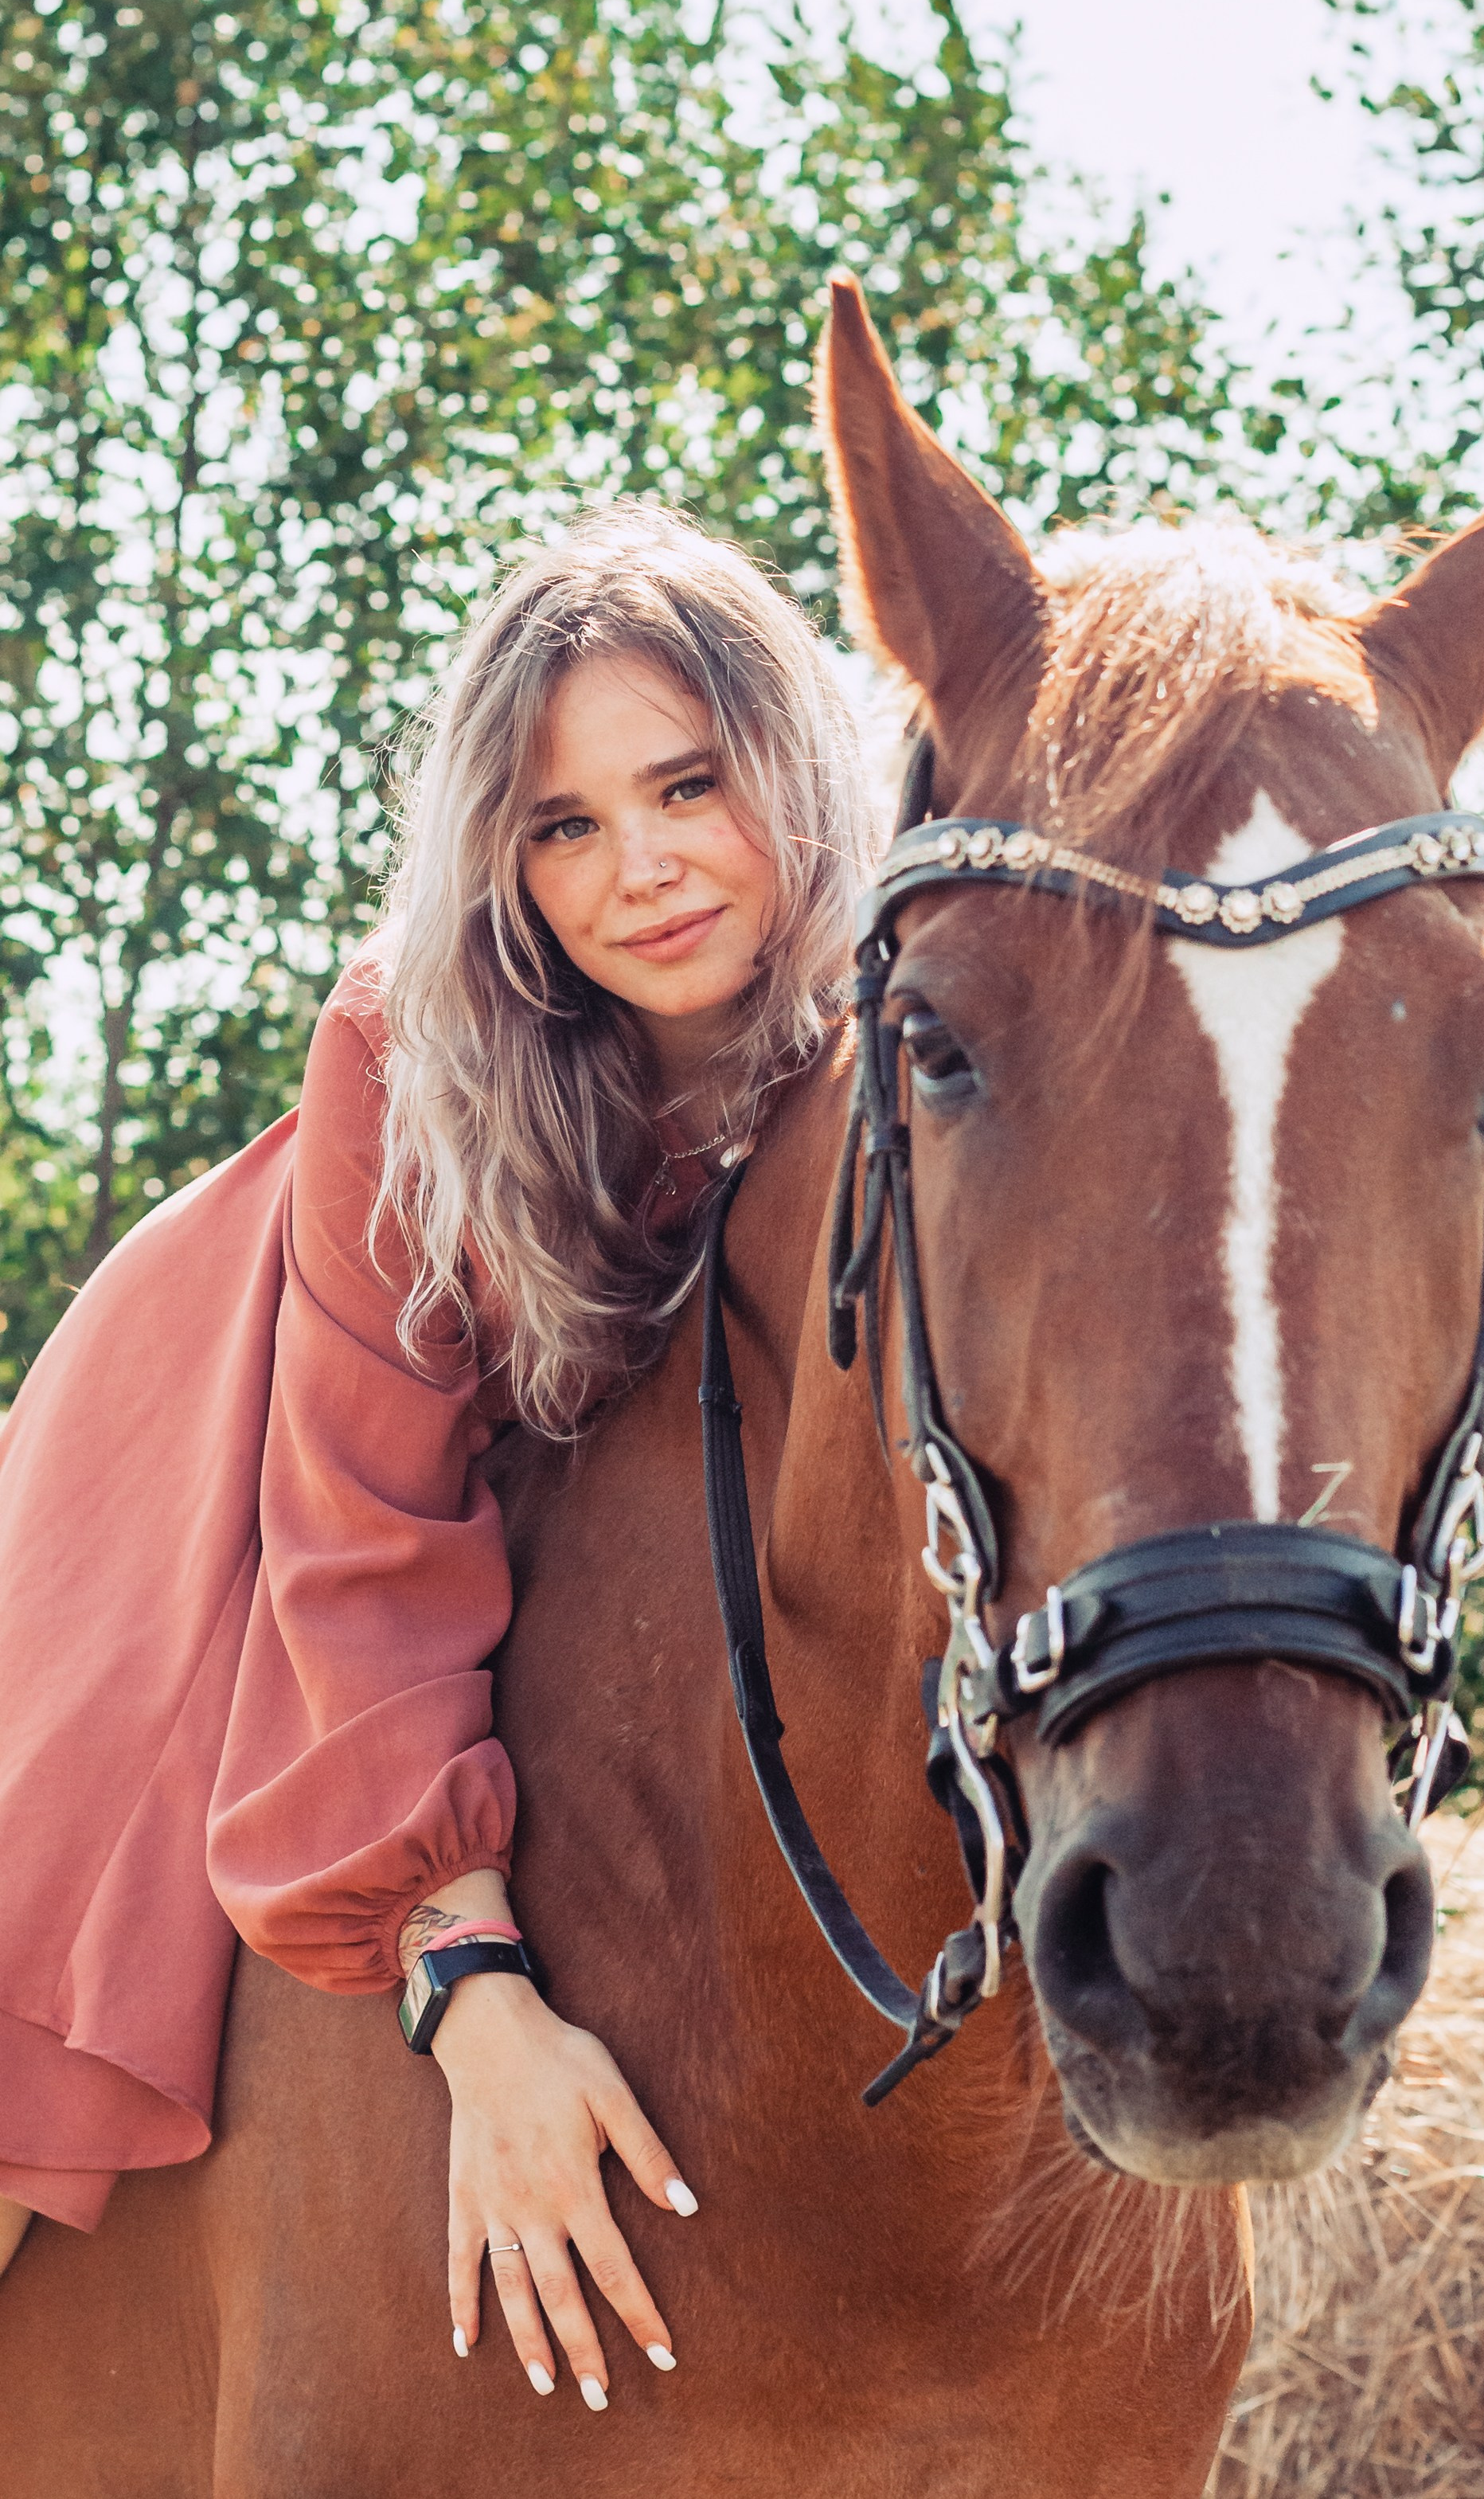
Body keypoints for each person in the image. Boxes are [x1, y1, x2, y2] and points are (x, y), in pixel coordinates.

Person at [0, 503, 877, 2408]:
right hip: (246, 1402)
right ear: (502, 859)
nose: (640, 869)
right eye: (564, 827)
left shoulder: (904, 1028)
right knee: (65, 1884)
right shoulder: (416, 1045)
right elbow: (367, 1531)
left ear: (795, 767)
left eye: (688, 785)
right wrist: (469, 1991)